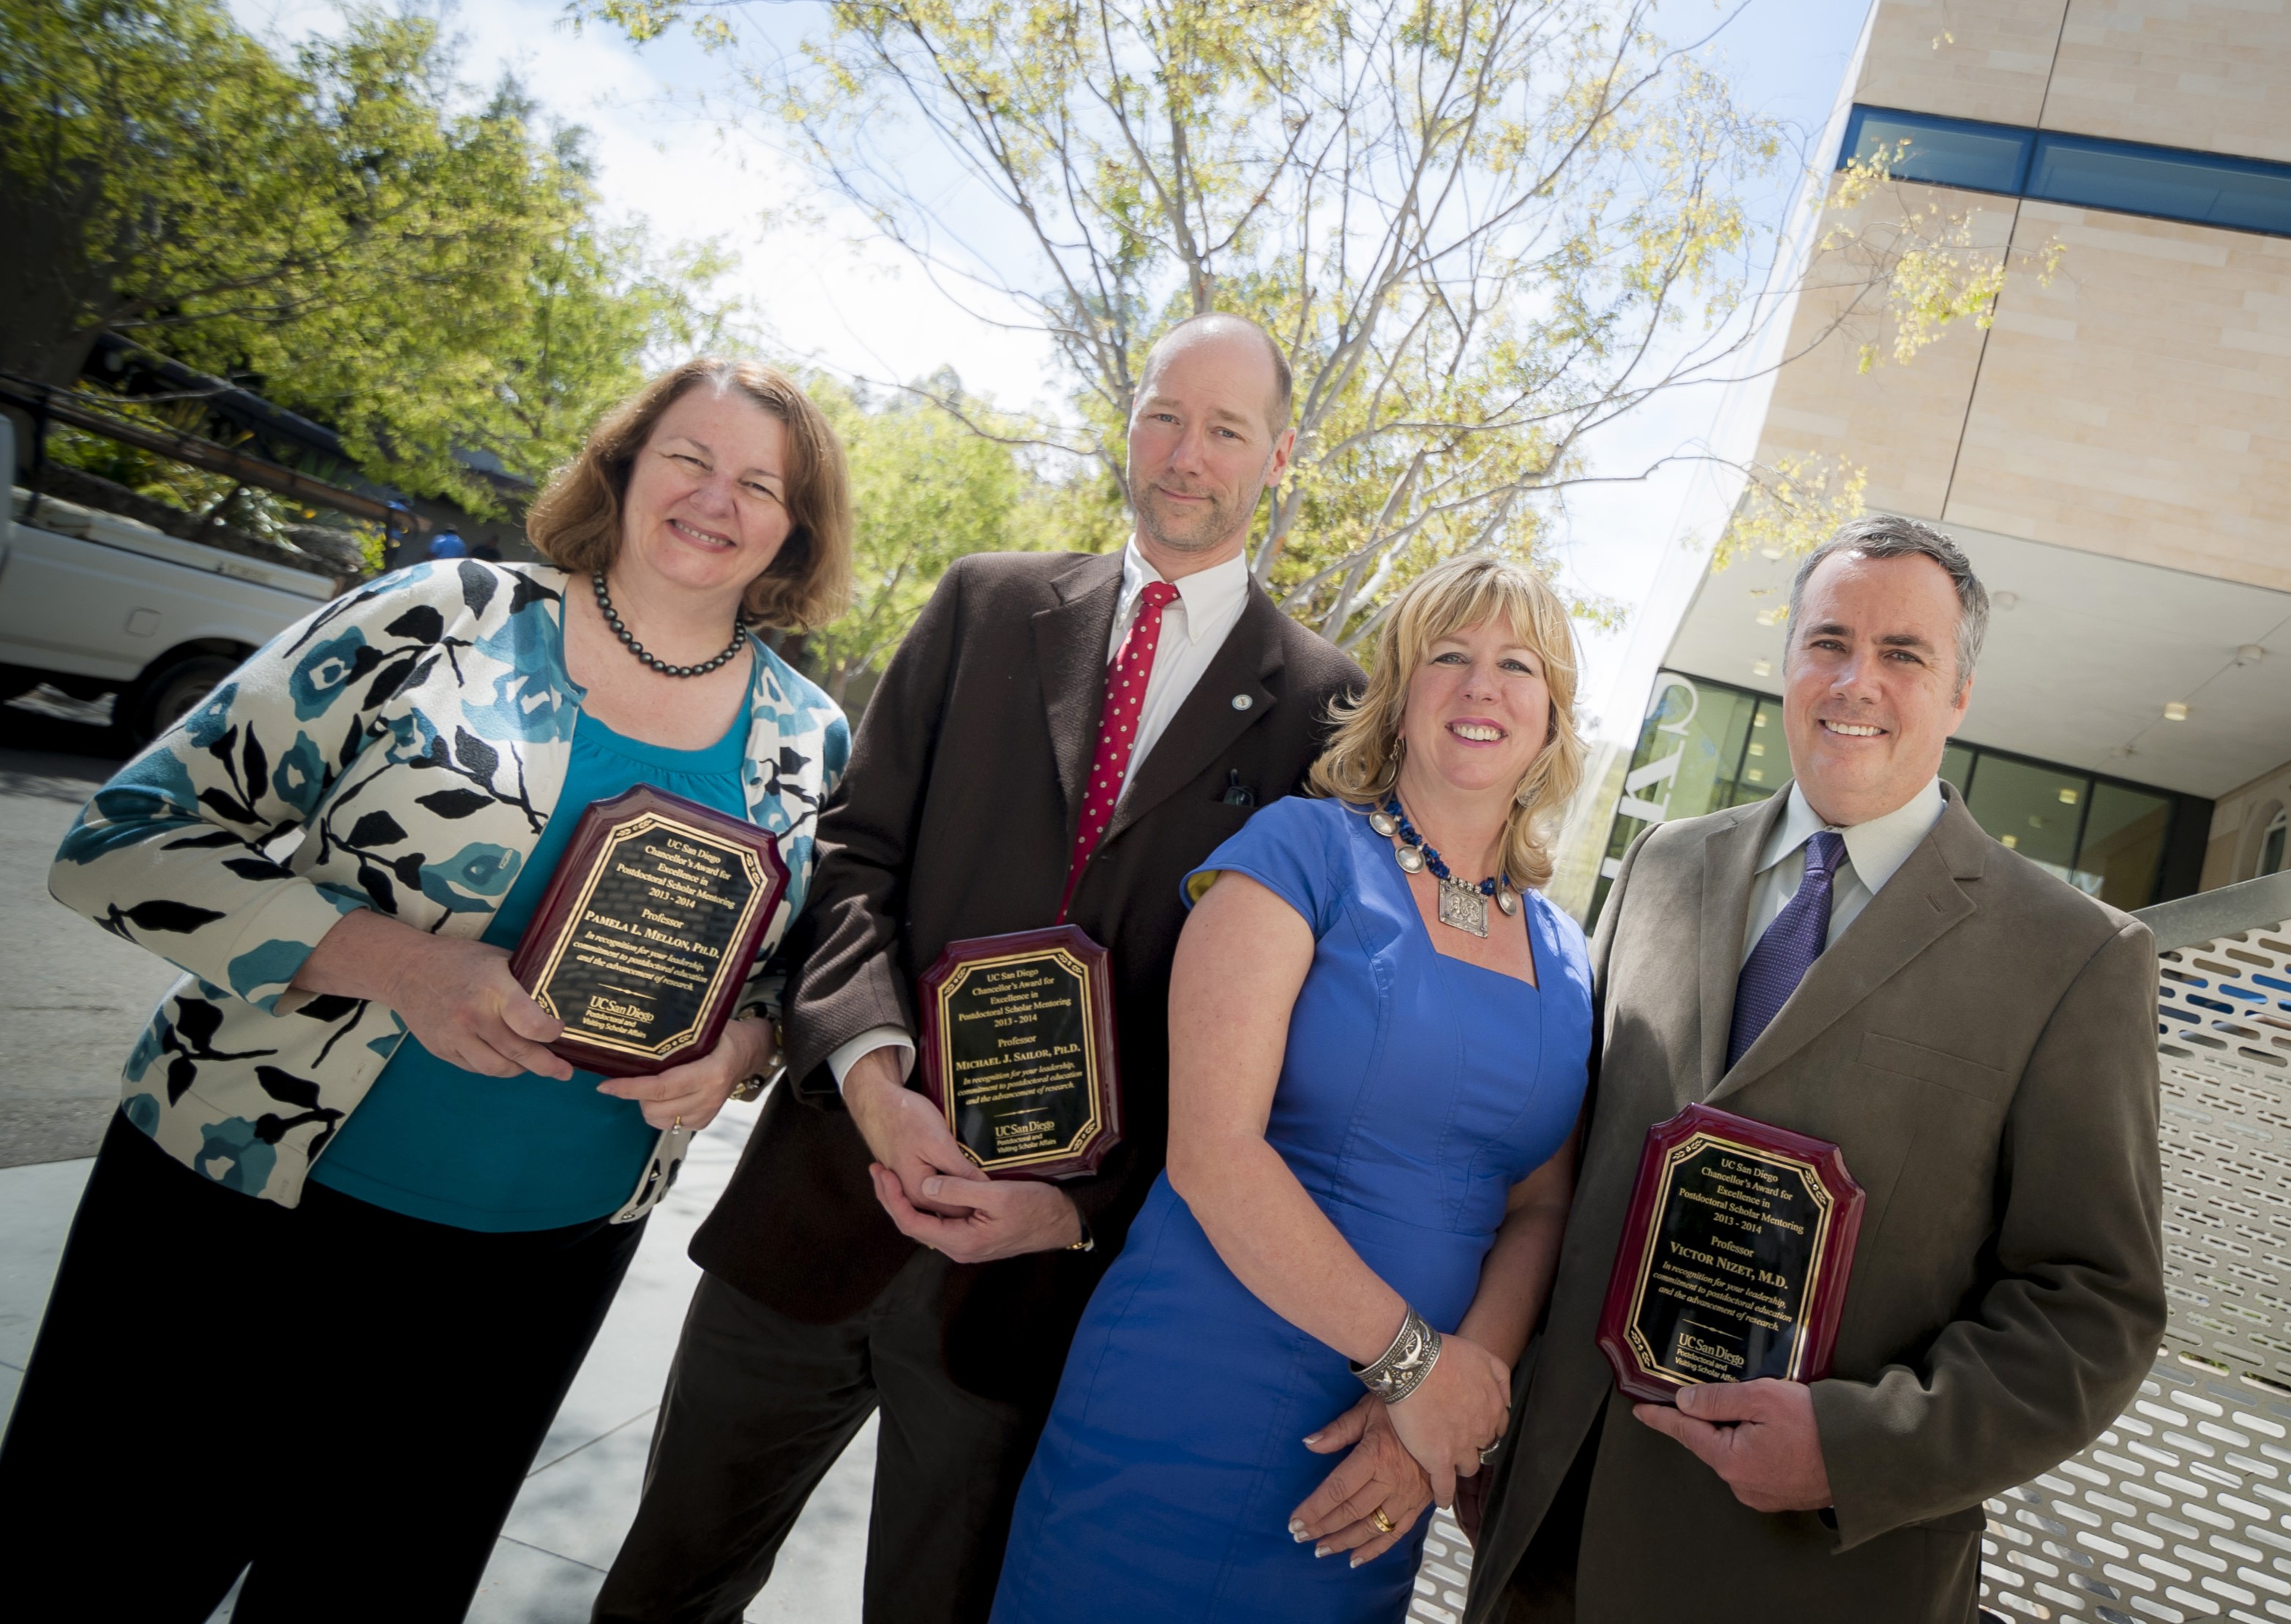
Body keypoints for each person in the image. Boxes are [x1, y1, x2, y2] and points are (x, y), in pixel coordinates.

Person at [0, 358, 855, 1623]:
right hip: (238, 1213)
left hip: (532, 1280)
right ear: (625, 467)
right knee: (90, 1573)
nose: (716, 500)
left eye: (760, 484)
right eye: (689, 459)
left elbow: (786, 973)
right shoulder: (439, 616)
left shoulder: (809, 737)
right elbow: (126, 839)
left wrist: (742, 1044)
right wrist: (401, 964)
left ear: (795, 528)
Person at [593, 312, 1366, 1624]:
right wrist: (871, 1073)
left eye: (1227, 429)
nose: (1187, 455)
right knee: (667, 1581)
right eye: (1165, 417)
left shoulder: (1324, 709)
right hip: (829, 1195)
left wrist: (1081, 1213)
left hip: (1035, 1282)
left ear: (1280, 454)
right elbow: (854, 855)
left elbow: (1275, 1033)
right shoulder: (985, 604)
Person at [1465, 516, 2165, 1623]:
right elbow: (1566, 1167)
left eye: (1904, 654)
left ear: (1961, 694)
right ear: (1787, 661)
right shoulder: (1664, 864)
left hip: (1800, 1575)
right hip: (1551, 1530)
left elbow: (2094, 1307)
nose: (1856, 682)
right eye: (1829, 641)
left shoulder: (2073, 958)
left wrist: (1857, 1449)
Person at [986, 555, 1594, 1623]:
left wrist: (1453, 1398)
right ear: (1398, 701)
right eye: (1447, 656)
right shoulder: (1296, 854)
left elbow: (1540, 1203)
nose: (1481, 686)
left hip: (1391, 1449)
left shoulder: (1569, 950)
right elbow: (1213, 1155)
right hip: (1192, 1396)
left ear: (1553, 718)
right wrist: (1415, 1365)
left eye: (1518, 665)